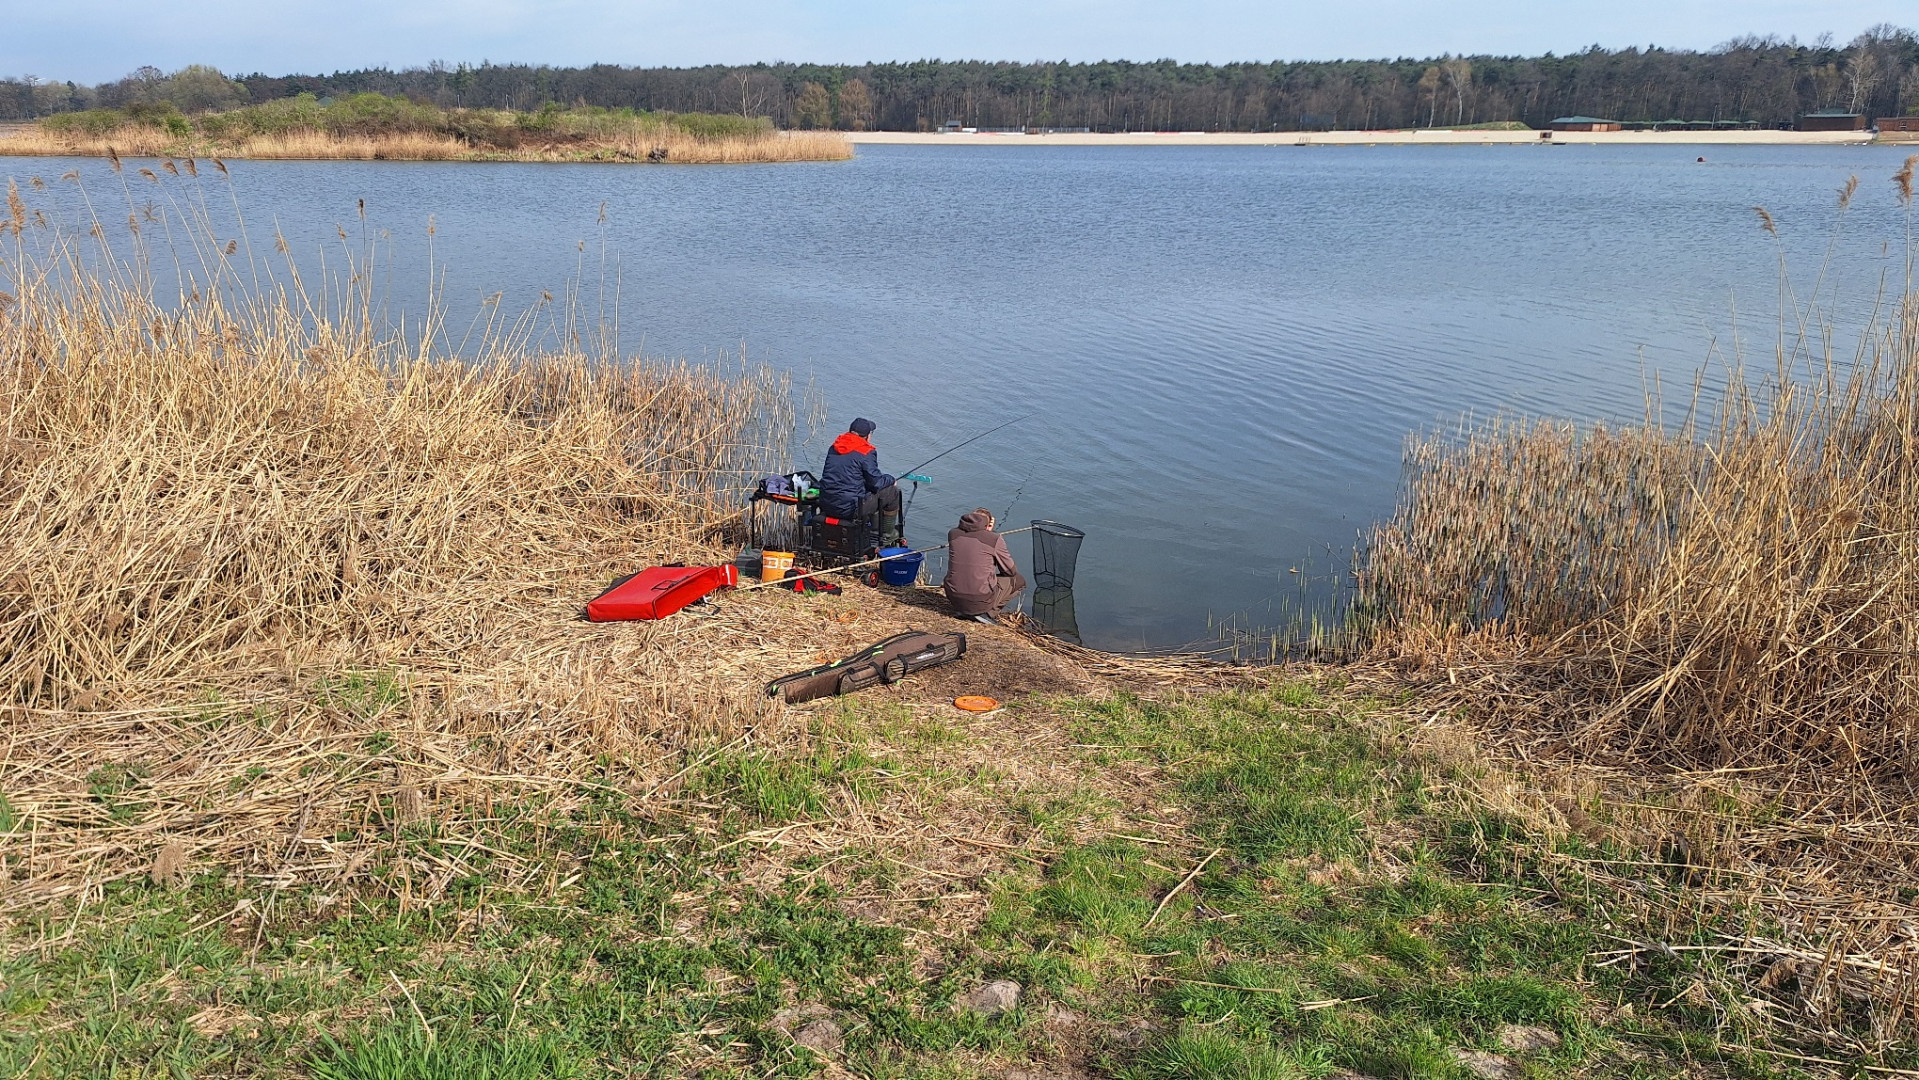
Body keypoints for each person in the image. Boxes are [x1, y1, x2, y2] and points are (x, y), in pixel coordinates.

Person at [819, 417, 902, 547]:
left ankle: (874, 529)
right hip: (851, 508)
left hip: (826, 503)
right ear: (867, 436)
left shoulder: (835, 447)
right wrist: (891, 480)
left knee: (869, 491)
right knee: (892, 492)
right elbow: (876, 483)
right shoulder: (866, 451)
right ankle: (885, 535)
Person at [944, 508, 1026, 622]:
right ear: (987, 523)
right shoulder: (994, 538)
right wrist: (990, 531)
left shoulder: (953, 534)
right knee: (1019, 580)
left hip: (953, 596)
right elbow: (1010, 571)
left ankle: (965, 610)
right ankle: (987, 613)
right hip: (980, 599)